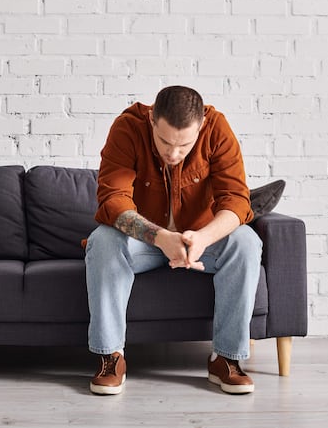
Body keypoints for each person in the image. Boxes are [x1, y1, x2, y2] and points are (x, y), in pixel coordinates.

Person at [85, 85, 262, 396]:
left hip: (201, 242)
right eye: (165, 141)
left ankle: (226, 359)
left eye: (184, 145)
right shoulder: (127, 127)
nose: (174, 153)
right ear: (152, 119)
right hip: (144, 243)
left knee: (246, 241)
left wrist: (204, 238)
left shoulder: (217, 127)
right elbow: (113, 202)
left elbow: (236, 200)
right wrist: (161, 237)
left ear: (201, 127)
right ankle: (111, 356)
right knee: (103, 240)